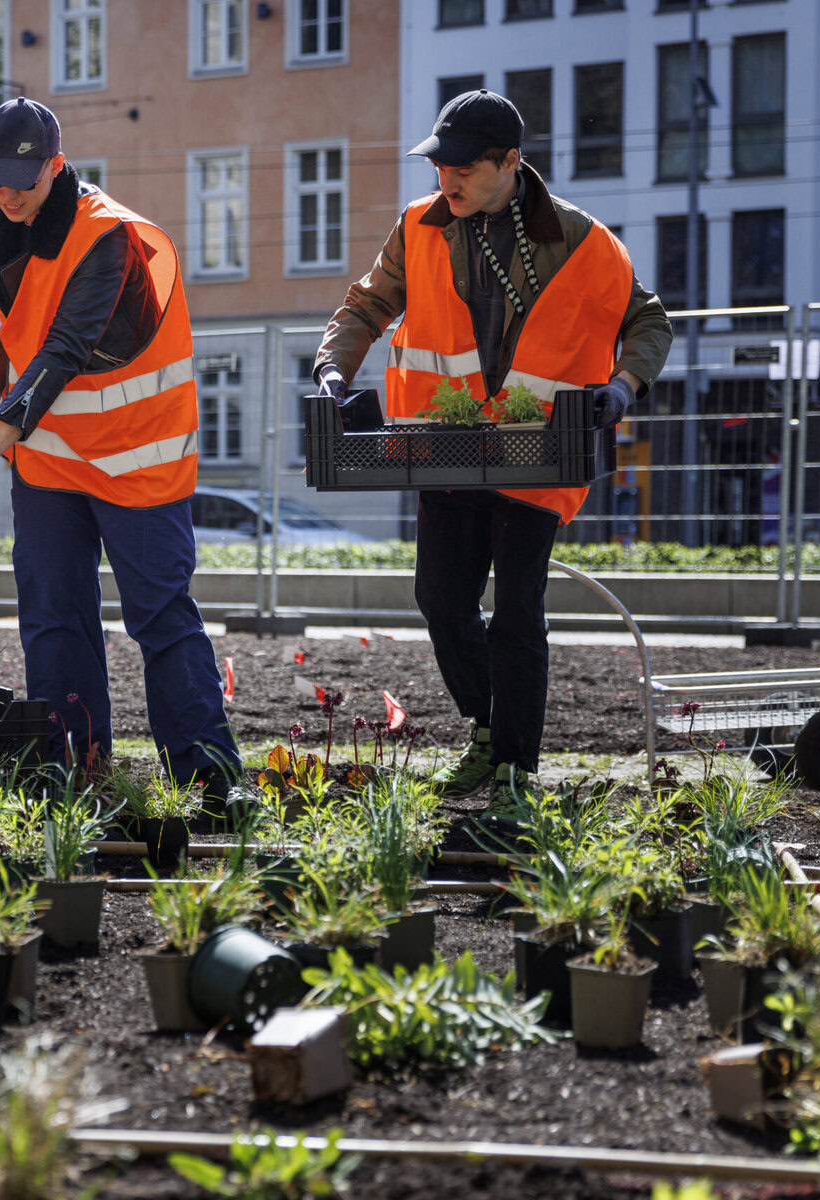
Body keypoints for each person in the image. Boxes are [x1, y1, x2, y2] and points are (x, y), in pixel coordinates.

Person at [313, 90, 672, 819]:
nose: (446, 178)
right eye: (439, 164)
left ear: (511, 163)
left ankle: (514, 765)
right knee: (439, 598)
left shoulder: (581, 240)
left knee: (517, 611)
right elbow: (365, 306)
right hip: (443, 451)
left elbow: (648, 320)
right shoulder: (418, 227)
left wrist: (622, 388)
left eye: (463, 167)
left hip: (538, 454)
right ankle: (487, 725)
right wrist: (331, 370)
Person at [0, 98, 242, 796]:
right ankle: (73, 771)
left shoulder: (112, 236)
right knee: (53, 618)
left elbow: (66, 347)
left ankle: (210, 781)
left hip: (137, 461)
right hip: (50, 464)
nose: (5, 196)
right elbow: (20, 344)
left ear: (56, 166)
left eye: (20, 183)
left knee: (161, 618)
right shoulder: (4, 229)